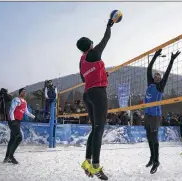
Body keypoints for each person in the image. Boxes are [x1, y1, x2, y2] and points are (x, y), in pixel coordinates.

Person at [77, 18, 115, 180]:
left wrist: (101, 75)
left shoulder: (82, 61)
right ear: (90, 45)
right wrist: (109, 24)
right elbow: (106, 39)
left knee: (95, 128)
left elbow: (84, 79)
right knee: (99, 129)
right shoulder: (93, 53)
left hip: (87, 94)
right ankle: (95, 166)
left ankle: (87, 161)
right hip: (98, 94)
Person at [144, 48, 180, 174]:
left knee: (154, 139)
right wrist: (154, 56)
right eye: (156, 75)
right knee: (149, 137)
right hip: (147, 114)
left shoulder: (160, 86)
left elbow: (167, 74)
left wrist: (171, 60)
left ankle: (156, 161)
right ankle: (152, 157)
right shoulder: (150, 83)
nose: (157, 76)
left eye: (159, 75)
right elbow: (149, 69)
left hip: (155, 116)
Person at [3, 88, 35, 164]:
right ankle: (11, 156)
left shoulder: (25, 102)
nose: (24, 93)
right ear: (20, 92)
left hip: (17, 121)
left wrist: (33, 116)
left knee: (13, 139)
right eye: (23, 92)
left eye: (25, 92)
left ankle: (7, 157)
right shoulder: (16, 100)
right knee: (19, 137)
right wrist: (13, 120)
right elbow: (11, 109)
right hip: (13, 120)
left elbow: (26, 112)